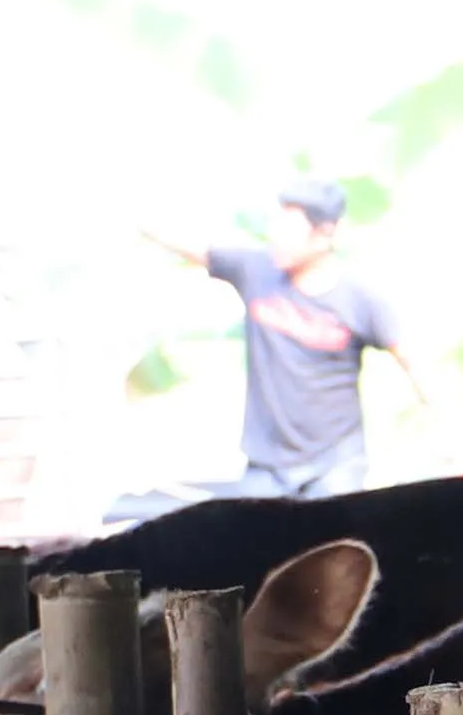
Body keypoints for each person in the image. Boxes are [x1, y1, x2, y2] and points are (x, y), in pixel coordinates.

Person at [147, 176, 417, 497]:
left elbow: (414, 364)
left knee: (332, 540)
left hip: (334, 468)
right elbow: (193, 246)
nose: (276, 238)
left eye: (290, 230)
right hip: (267, 468)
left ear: (322, 235)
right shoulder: (257, 271)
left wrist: (452, 444)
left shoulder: (360, 300)